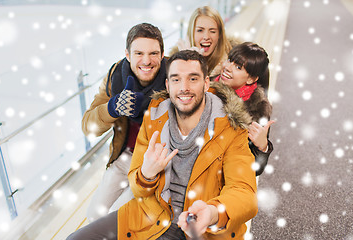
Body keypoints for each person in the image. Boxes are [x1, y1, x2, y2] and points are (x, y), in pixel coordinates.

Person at [67, 50, 257, 240]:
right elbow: (137, 185)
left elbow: (244, 193)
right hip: (151, 216)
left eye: (193, 79)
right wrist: (146, 175)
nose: (184, 88)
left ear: (206, 83)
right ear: (167, 84)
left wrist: (213, 212)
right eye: (176, 79)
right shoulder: (155, 117)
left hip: (198, 229)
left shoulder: (231, 128)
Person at [82, 23, 167, 222]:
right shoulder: (115, 76)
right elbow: (89, 128)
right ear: (128, 55)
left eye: (153, 53)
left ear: (162, 55)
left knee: (118, 221)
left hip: (155, 165)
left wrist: (151, 107)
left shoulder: (173, 76)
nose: (146, 61)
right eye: (139, 53)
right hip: (124, 159)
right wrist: (112, 108)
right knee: (93, 215)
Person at [213, 42, 274, 176]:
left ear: (251, 79)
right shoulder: (207, 85)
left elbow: (254, 169)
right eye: (229, 60)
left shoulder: (258, 109)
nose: (227, 67)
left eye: (238, 67)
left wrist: (262, 147)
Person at [170, 6, 234, 77]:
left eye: (212, 31)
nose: (206, 37)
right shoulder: (174, 64)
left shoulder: (232, 67)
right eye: (200, 30)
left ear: (219, 35)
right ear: (192, 33)